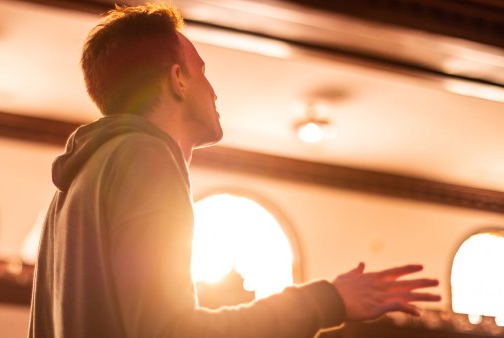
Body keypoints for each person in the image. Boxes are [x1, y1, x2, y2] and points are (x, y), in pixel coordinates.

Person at [28, 3, 440, 337]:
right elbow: (168, 332)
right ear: (178, 80)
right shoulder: (146, 158)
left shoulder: (68, 191)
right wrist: (326, 300)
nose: (214, 89)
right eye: (203, 71)